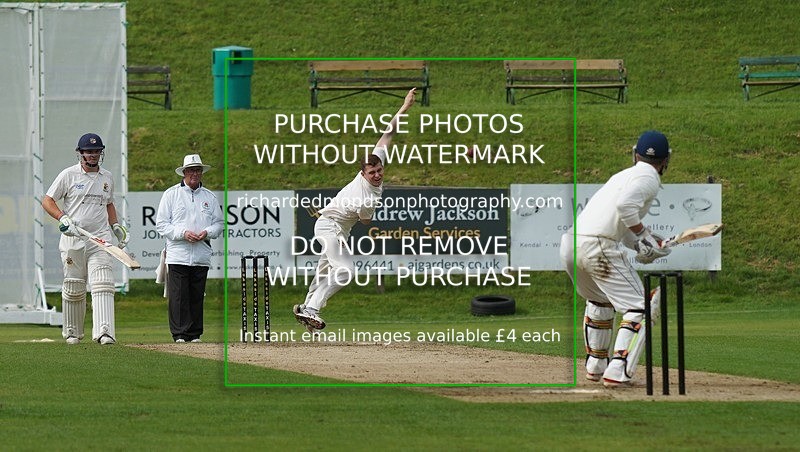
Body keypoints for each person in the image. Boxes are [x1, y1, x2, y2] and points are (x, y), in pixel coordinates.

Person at [294, 88, 416, 333]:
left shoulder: (375, 165)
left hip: (332, 226)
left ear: (382, 166)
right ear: (363, 174)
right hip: (331, 226)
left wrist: (404, 107)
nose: (377, 175)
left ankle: (306, 308)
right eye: (371, 173)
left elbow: (387, 135)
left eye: (379, 170)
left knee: (324, 271)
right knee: (346, 270)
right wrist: (366, 213)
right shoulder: (366, 197)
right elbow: (365, 221)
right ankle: (313, 310)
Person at [559, 130, 673, 388]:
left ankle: (596, 365)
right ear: (666, 160)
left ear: (635, 153)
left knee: (600, 299)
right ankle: (618, 370)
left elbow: (619, 220)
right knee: (642, 307)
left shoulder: (622, 176)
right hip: (597, 246)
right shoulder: (649, 177)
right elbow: (625, 207)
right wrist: (643, 235)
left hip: (572, 243)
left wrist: (644, 244)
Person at [42, 133, 128, 345]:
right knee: (74, 286)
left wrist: (115, 225)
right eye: (89, 151)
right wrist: (62, 217)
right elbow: (47, 200)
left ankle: (104, 332)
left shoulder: (107, 177)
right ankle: (72, 332)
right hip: (74, 238)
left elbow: (109, 203)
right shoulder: (69, 175)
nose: (93, 155)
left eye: (96, 151)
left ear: (101, 153)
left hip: (99, 240)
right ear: (80, 153)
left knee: (102, 283)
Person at [156, 154, 224, 343]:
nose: (195, 173)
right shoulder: (171, 194)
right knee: (179, 296)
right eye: (191, 170)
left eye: (198, 170)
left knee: (196, 295)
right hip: (178, 253)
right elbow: (161, 224)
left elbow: (219, 224)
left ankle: (194, 334)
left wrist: (207, 232)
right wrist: (183, 233)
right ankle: (179, 334)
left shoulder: (209, 196)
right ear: (184, 172)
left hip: (201, 253)